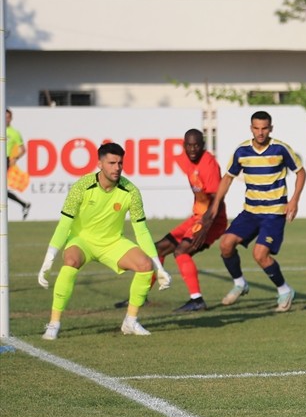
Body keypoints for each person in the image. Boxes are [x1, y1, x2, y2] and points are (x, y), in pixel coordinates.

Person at [37, 142, 172, 340]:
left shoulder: (131, 191)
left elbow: (141, 231)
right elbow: (64, 224)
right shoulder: (81, 186)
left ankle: (130, 321)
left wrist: (158, 266)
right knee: (71, 261)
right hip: (82, 241)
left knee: (145, 265)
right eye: (111, 163)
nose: (117, 167)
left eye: (120, 163)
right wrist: (50, 256)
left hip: (112, 243)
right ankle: (54, 322)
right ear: (100, 163)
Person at [205, 110, 306, 312]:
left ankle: (284, 290)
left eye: (264, 128)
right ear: (251, 128)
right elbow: (228, 178)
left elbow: (301, 172)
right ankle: (240, 283)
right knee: (225, 245)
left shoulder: (280, 149)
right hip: (251, 212)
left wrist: (294, 200)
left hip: (274, 213)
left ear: (271, 128)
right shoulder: (242, 151)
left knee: (260, 254)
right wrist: (215, 204)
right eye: (257, 128)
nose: (260, 132)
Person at [156, 129, 228, 312]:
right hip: (196, 217)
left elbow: (216, 201)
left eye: (197, 145)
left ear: (203, 145)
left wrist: (205, 225)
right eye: (189, 145)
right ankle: (139, 297)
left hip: (212, 220)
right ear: (184, 146)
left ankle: (197, 300)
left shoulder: (209, 164)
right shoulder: (184, 159)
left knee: (181, 251)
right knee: (159, 248)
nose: (193, 149)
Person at [6, 109, 32, 220]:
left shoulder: (14, 132)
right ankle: (23, 204)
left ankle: (23, 204)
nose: (5, 119)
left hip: (4, 160)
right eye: (4, 116)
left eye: (7, 117)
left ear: (11, 118)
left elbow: (23, 149)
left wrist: (15, 158)